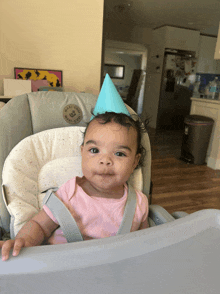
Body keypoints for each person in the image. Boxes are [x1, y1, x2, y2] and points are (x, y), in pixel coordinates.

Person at [0, 112, 149, 261]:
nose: (105, 160)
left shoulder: (139, 203)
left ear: (135, 162)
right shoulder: (69, 194)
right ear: (82, 153)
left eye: (119, 153)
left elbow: (147, 243)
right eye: (94, 150)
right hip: (62, 266)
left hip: (113, 272)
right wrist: (25, 242)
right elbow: (39, 225)